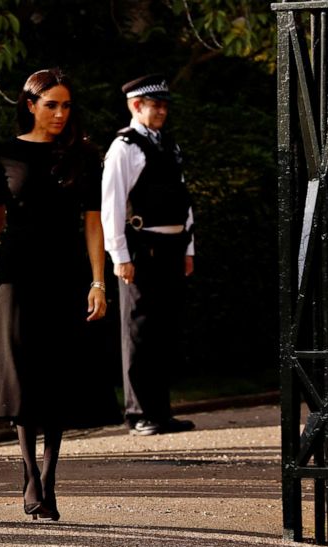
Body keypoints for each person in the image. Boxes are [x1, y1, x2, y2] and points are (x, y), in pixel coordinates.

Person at [0, 68, 118, 522]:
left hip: (66, 275)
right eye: (51, 104)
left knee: (56, 380)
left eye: (66, 105)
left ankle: (47, 481)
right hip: (16, 277)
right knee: (21, 377)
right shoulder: (3, 155)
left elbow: (94, 223)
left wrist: (99, 281)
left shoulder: (83, 155)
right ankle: (30, 475)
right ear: (30, 104)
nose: (60, 113)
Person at [100, 74, 196, 437]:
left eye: (164, 106)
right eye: (155, 105)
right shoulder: (124, 147)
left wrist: (189, 247)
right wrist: (119, 256)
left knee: (164, 331)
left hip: (172, 247)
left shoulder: (168, 145)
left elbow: (184, 200)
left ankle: (160, 410)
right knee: (138, 331)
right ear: (135, 106)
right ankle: (138, 412)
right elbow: (111, 206)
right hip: (141, 249)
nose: (162, 112)